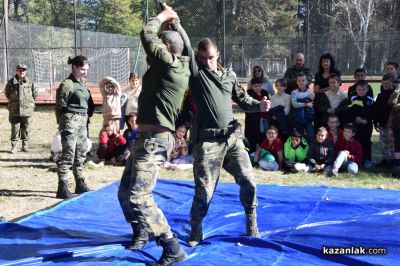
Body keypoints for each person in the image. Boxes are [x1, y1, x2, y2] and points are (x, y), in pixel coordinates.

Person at [117, 4, 189, 265]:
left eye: (162, 43)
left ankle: (171, 245)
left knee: (139, 196)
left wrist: (162, 18)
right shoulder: (178, 63)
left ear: (167, 49)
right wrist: (176, 22)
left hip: (155, 141)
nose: (155, 47)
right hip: (144, 139)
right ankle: (142, 230)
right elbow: (185, 46)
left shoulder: (169, 65)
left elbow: (147, 35)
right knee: (125, 192)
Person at [186, 38, 271, 247]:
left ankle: (251, 222)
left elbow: (243, 99)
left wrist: (259, 105)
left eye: (211, 58)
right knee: (204, 190)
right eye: (203, 58)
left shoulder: (229, 75)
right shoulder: (197, 74)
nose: (207, 62)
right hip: (208, 142)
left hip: (232, 139)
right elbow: (186, 46)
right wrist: (174, 23)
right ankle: (196, 228)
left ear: (218, 55)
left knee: (248, 180)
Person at [55, 55, 91, 199]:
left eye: (86, 69)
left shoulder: (82, 83)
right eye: (82, 69)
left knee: (80, 154)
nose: (85, 72)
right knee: (68, 154)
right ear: (74, 67)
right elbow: (60, 106)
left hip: (82, 122)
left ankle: (80, 183)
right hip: (70, 122)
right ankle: (62, 186)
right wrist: (62, 124)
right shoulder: (67, 84)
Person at [4, 64, 37, 153]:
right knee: (15, 129)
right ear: (16, 71)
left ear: (25, 72)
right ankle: (14, 146)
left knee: (26, 128)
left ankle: (25, 146)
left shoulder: (30, 82)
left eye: (23, 70)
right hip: (15, 110)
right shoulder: (11, 82)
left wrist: (28, 104)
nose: (21, 72)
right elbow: (7, 94)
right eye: (20, 70)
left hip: (27, 110)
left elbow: (35, 94)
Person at [346, 80, 374, 169]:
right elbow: (350, 111)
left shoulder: (370, 100)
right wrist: (356, 118)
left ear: (367, 90)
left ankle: (367, 159)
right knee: (356, 142)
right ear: (356, 90)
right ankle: (357, 159)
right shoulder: (353, 99)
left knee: (366, 142)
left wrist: (367, 120)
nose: (361, 91)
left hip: (367, 126)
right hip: (356, 126)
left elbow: (373, 112)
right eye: (359, 89)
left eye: (363, 89)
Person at [313, 54, 341, 129]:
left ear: (331, 62)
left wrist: (322, 90)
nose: (325, 63)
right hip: (320, 100)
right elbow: (316, 90)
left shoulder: (336, 72)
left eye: (327, 61)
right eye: (323, 61)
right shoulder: (318, 74)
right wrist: (329, 87)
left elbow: (337, 86)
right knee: (318, 122)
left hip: (332, 98)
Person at [374, 74, 395, 166]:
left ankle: (393, 161)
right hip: (382, 123)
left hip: (392, 124)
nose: (386, 85)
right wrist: (375, 121)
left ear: (392, 83)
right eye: (384, 83)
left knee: (392, 144)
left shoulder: (395, 95)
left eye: (388, 83)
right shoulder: (380, 96)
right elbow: (377, 110)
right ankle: (385, 160)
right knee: (383, 143)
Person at [244, 77, 270, 152]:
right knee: (251, 138)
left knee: (262, 137)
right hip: (252, 120)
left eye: (259, 85)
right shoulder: (248, 94)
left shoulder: (265, 93)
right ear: (252, 86)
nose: (258, 88)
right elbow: (248, 106)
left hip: (263, 119)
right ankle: (251, 154)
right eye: (255, 86)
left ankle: (261, 154)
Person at [291, 73, 315, 143]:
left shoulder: (311, 91)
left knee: (310, 136)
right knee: (299, 137)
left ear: (306, 81)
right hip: (298, 119)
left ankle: (311, 152)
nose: (301, 82)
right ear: (296, 82)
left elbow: (313, 104)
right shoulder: (294, 93)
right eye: (299, 81)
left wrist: (300, 101)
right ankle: (301, 152)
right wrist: (306, 103)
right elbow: (294, 104)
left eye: (303, 80)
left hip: (308, 119)